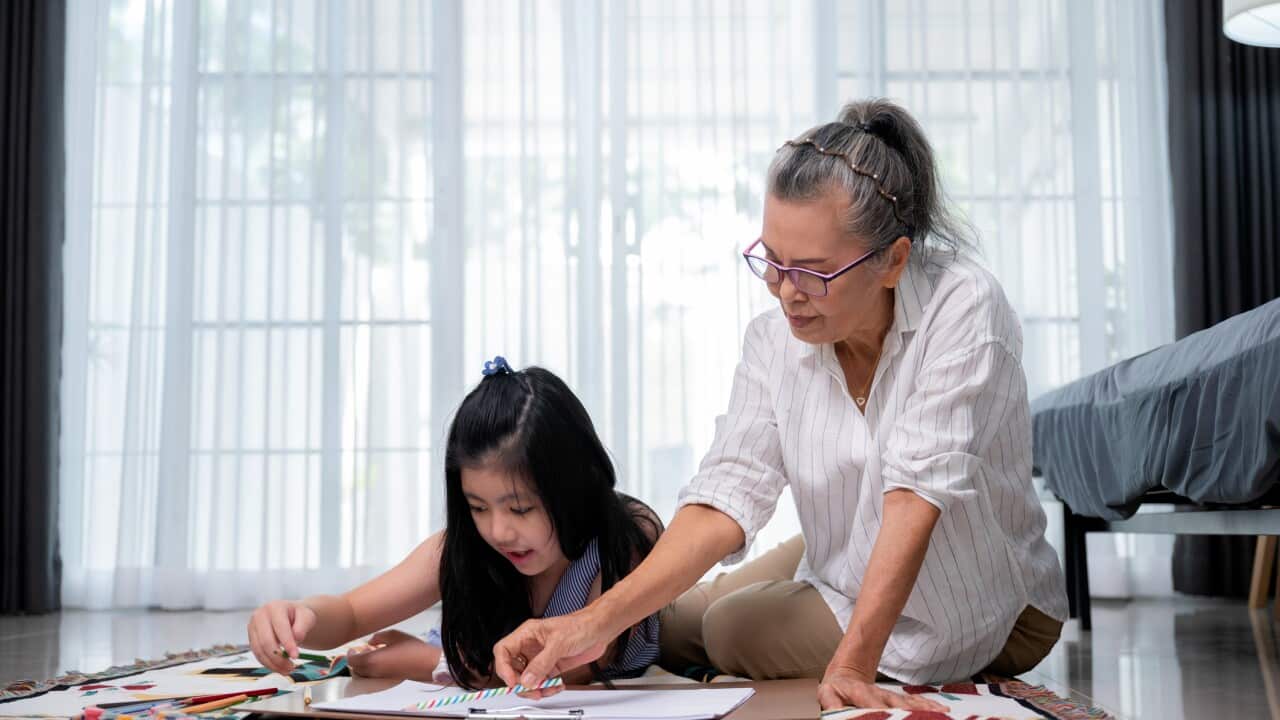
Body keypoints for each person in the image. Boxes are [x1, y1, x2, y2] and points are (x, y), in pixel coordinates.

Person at [490, 99, 1068, 713]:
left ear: (893, 261)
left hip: (972, 599)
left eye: (813, 272)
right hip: (851, 543)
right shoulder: (774, 341)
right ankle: (546, 635)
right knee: (673, 618)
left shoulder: (965, 307)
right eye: (772, 262)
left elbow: (914, 499)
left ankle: (706, 651)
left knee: (728, 628)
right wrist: (588, 623)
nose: (788, 294)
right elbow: (727, 495)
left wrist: (852, 667)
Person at [246, 358, 663, 689]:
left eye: (520, 509)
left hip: (457, 661)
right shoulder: (466, 547)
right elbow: (353, 613)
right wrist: (300, 616)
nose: (498, 531)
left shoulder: (623, 538)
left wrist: (428, 662)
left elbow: (576, 670)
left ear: (574, 485)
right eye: (477, 507)